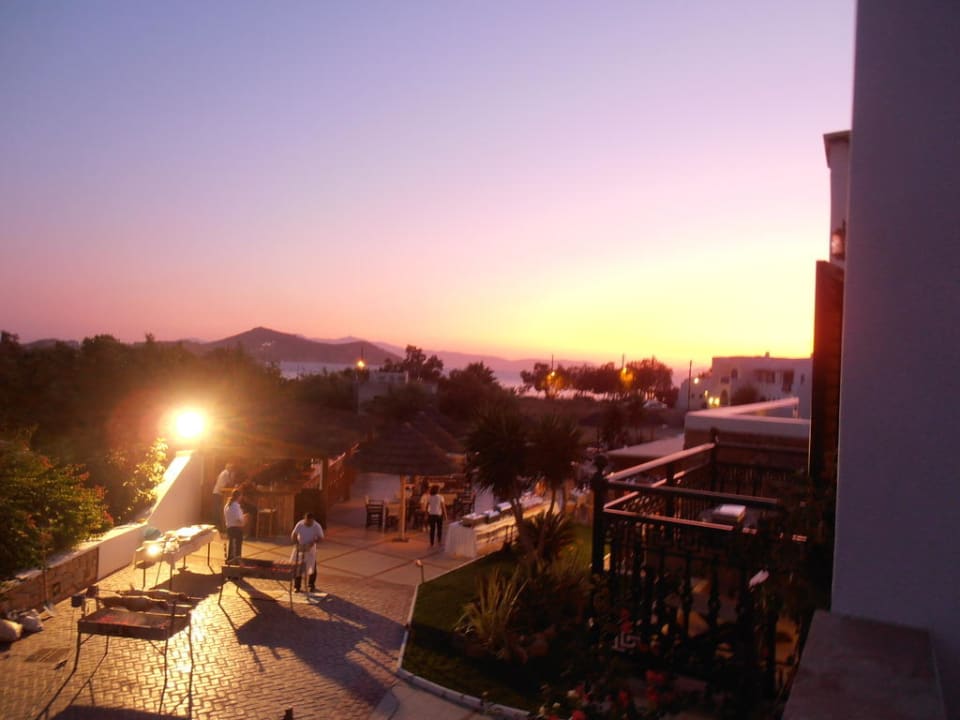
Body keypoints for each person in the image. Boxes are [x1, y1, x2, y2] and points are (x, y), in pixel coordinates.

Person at [290, 512, 324, 593]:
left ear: (313, 520)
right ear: (304, 519)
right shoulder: (300, 524)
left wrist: (314, 542)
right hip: (300, 547)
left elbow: (321, 538)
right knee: (298, 567)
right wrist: (296, 543)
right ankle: (297, 586)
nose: (308, 523)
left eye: (310, 522)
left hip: (310, 548)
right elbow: (294, 534)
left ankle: (311, 585)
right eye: (307, 522)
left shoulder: (316, 526)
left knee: (312, 566)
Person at [224, 490, 246, 561]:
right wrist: (244, 519)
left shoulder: (227, 505)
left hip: (229, 528)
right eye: (241, 496)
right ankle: (235, 562)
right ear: (239, 497)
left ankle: (230, 561)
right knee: (236, 549)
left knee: (232, 547)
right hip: (236, 529)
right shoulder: (235, 506)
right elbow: (238, 519)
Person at [212, 463, 235, 527]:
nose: (232, 469)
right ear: (229, 468)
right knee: (218, 510)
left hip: (218, 493)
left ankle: (218, 525)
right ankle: (217, 525)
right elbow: (225, 485)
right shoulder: (225, 473)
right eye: (231, 468)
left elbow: (228, 483)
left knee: (218, 510)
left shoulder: (225, 473)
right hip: (218, 493)